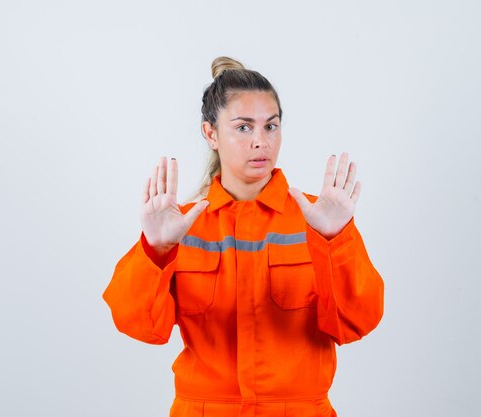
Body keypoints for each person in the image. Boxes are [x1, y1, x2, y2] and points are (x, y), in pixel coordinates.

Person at [103, 56, 384, 417]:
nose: (260, 142)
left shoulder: (317, 218)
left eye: (271, 126)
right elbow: (139, 327)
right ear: (211, 133)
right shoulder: (182, 225)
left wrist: (335, 238)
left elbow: (356, 322)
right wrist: (156, 250)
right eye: (243, 127)